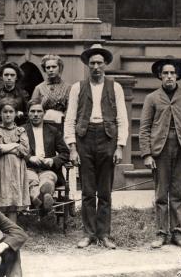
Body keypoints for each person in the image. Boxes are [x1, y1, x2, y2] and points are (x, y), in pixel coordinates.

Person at [64, 43, 129, 249]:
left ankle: (104, 234)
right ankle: (89, 234)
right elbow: (70, 119)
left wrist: (119, 146)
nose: (96, 67)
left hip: (107, 138)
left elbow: (122, 119)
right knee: (88, 191)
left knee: (105, 191)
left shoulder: (115, 87)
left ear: (105, 64)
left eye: (99, 63)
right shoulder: (77, 88)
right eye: (92, 63)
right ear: (87, 65)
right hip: (84, 139)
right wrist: (72, 147)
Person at [139, 57, 181, 249]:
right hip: (160, 150)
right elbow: (144, 128)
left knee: (177, 193)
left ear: (178, 75)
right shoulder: (152, 98)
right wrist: (147, 154)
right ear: (160, 76)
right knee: (161, 194)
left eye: (172, 73)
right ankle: (161, 233)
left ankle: (177, 232)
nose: (169, 76)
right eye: (165, 73)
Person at [24, 100, 69, 213]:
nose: (36, 114)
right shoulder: (22, 131)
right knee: (31, 180)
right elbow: (17, 151)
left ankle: (39, 198)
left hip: (48, 169)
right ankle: (44, 201)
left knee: (48, 179)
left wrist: (53, 160)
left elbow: (65, 153)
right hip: (29, 168)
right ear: (28, 113)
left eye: (39, 111)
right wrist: (29, 158)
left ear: (44, 113)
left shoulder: (53, 131)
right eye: (32, 111)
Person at [0, 102, 30, 221]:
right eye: (5, 112)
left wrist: (4, 147)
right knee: (0, 198)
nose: (8, 115)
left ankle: (12, 228)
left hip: (17, 169)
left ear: (16, 114)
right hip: (0, 169)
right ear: (0, 114)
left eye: (11, 112)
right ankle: (0, 227)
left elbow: (24, 150)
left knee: (13, 201)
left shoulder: (21, 131)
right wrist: (15, 145)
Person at [0, 62, 29, 132]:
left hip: (18, 129)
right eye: (6, 75)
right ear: (2, 76)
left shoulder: (23, 94)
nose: (9, 78)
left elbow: (29, 115)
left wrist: (22, 115)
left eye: (12, 75)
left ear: (16, 77)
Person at [31, 54, 71, 126]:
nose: (51, 70)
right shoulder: (39, 88)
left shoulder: (68, 87)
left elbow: (70, 109)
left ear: (59, 68)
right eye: (48, 67)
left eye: (54, 67)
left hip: (62, 124)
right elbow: (33, 109)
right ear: (45, 69)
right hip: (43, 124)